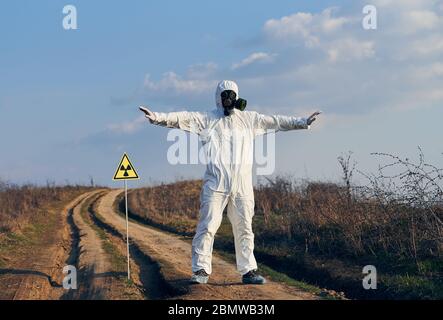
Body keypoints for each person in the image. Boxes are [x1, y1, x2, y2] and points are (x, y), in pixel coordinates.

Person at [139, 80, 320, 285]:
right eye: (225, 95)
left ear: (237, 96)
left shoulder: (250, 119)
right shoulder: (207, 119)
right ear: (218, 98)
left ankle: (249, 271)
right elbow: (181, 118)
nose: (228, 99)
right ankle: (200, 270)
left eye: (231, 95)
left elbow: (276, 121)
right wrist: (157, 118)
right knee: (207, 226)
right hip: (216, 184)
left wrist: (303, 122)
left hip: (242, 185)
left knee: (244, 227)